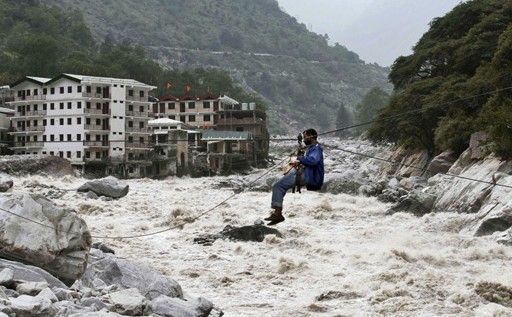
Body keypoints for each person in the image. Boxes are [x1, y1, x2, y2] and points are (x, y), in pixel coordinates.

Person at [265, 128, 324, 225]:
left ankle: (278, 214)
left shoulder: (316, 148)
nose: (304, 139)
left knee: (278, 186)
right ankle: (277, 212)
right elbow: (307, 157)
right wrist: (300, 152)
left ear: (311, 137)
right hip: (307, 174)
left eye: (305, 137)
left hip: (310, 176)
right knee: (281, 183)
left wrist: (299, 157)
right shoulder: (313, 147)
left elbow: (313, 161)